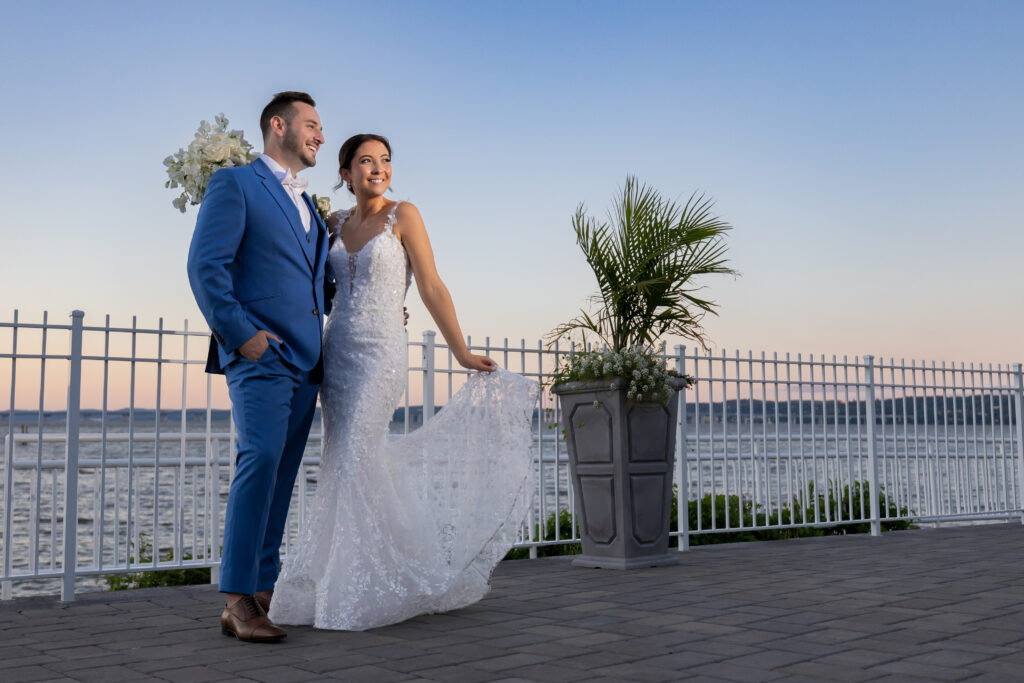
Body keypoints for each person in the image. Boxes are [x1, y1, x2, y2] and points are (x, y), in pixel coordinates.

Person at [269, 134, 538, 630]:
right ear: (346, 172)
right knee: (344, 459)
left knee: (355, 454)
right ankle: (347, 579)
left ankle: (368, 585)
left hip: (382, 354)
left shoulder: (404, 215)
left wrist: (459, 350)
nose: (379, 168)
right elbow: (311, 286)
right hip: (338, 352)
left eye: (386, 160)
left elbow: (432, 284)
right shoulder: (331, 222)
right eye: (366, 161)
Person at [186, 92, 328, 642]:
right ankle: (237, 597)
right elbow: (205, 266)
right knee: (260, 459)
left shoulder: (309, 207)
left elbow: (311, 284)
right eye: (311, 124)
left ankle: (262, 591)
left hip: (307, 363)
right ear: (278, 125)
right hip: (261, 356)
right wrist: (243, 338)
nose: (319, 134)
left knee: (281, 475)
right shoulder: (236, 184)